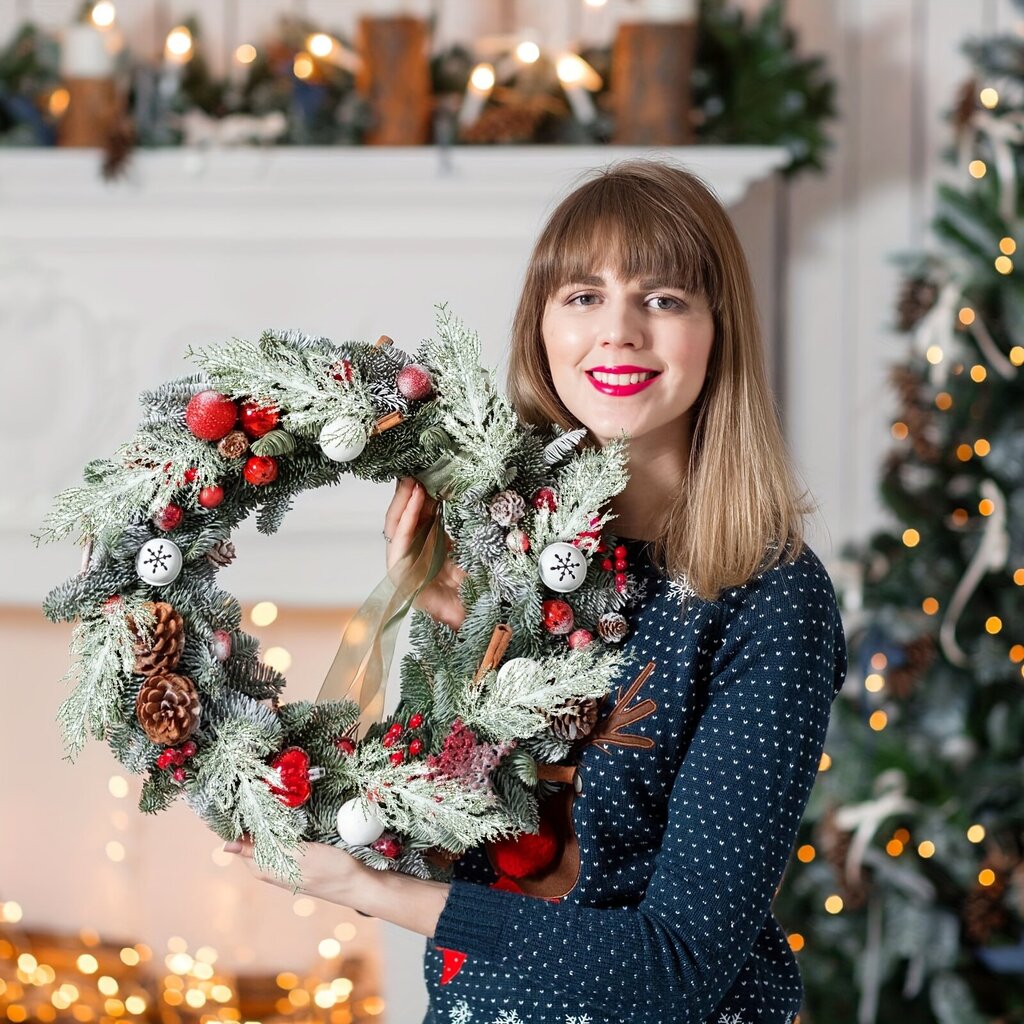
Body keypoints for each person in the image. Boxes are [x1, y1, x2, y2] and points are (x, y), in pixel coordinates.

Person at [226, 159, 848, 1024]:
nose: (620, 332)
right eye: (583, 297)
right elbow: (455, 849)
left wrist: (365, 890)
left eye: (664, 299)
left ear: (720, 330)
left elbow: (675, 968)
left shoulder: (770, 596)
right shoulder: (507, 557)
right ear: (541, 329)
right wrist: (457, 627)